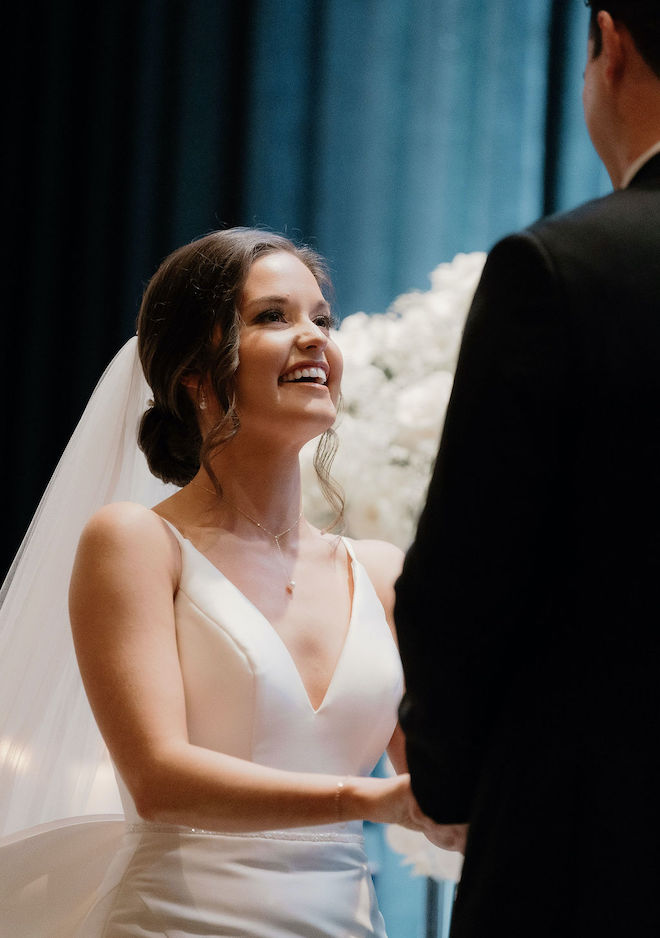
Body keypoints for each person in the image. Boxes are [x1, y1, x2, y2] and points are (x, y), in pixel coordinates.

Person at [0, 228, 458, 937]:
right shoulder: (136, 542)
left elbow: (439, 780)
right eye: (273, 317)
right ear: (195, 371)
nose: (313, 338)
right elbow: (160, 779)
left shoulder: (381, 572)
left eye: (321, 319)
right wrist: (367, 799)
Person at [394, 3, 660, 936]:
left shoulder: (564, 267)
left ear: (610, 42)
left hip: (593, 843)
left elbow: (464, 577)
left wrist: (451, 776)